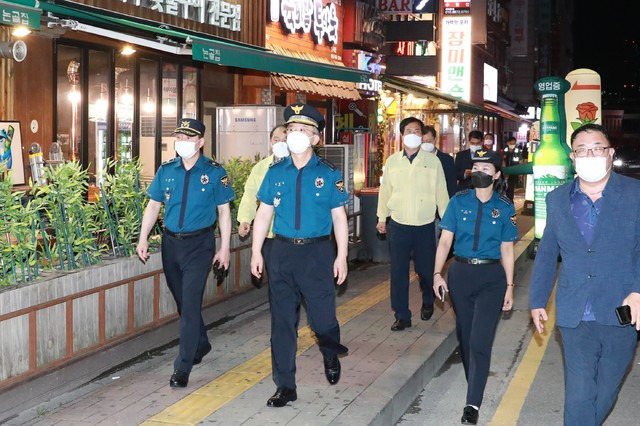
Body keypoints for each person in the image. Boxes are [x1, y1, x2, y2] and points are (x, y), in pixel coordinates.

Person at [530, 123, 640, 426]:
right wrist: (538, 300)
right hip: (575, 310)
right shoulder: (556, 199)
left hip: (622, 308)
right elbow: (548, 251)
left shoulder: (635, 193)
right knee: (579, 393)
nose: (589, 155)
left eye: (597, 149)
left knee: (606, 388)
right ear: (573, 158)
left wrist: (638, 290)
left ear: (610, 153)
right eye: (582, 150)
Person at [250, 103, 349, 408]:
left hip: (317, 253)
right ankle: (285, 385)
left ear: (316, 138)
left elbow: (339, 218)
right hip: (281, 253)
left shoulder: (329, 174)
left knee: (322, 321)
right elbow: (264, 213)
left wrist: (341, 255)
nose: (296, 135)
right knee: (282, 324)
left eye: (304, 130)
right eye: (292, 130)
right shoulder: (275, 172)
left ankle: (330, 350)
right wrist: (256, 251)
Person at [136, 118, 234, 388]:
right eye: (179, 137)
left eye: (189, 138)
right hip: (171, 245)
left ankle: (182, 367)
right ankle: (200, 343)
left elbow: (224, 212)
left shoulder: (215, 172)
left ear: (201, 142)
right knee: (183, 302)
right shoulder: (167, 169)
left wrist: (225, 248)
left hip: (199, 246)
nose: (183, 143)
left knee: (190, 304)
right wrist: (143, 237)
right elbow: (154, 205)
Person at [433, 148, 517, 425]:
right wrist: (437, 273)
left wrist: (509, 285)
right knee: (466, 336)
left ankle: (473, 402)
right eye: (476, 168)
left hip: (491, 277)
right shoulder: (458, 202)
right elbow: (445, 241)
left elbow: (507, 249)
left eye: (486, 168)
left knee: (480, 340)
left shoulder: (505, 208)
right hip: (460, 274)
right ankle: (476, 380)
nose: (480, 172)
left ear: (497, 175)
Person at [376, 117, 449, 331]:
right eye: (409, 130)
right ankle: (402, 315)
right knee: (398, 272)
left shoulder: (433, 161)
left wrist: (447, 221)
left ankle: (428, 299)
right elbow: (385, 191)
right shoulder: (392, 161)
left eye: (417, 131)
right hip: (398, 225)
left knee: (426, 270)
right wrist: (382, 217)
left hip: (425, 225)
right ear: (401, 134)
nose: (414, 134)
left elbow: (441, 192)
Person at [237, 124, 288, 282]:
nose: (280, 143)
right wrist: (245, 219)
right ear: (271, 142)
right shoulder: (261, 168)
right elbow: (250, 195)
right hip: (270, 234)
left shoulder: (301, 167)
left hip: (293, 234)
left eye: (285, 140)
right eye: (276, 139)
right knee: (275, 277)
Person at [422, 124, 457, 198]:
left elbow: (451, 186)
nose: (425, 144)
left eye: (428, 141)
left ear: (435, 140)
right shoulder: (416, 159)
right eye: (423, 142)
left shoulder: (447, 160)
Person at [502, 136, 521, 201]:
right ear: (507, 143)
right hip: (505, 171)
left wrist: (520, 173)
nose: (512, 145)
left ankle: (510, 199)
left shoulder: (518, 151)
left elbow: (520, 161)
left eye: (513, 143)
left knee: (511, 186)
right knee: (504, 186)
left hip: (514, 171)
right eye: (511, 143)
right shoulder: (504, 151)